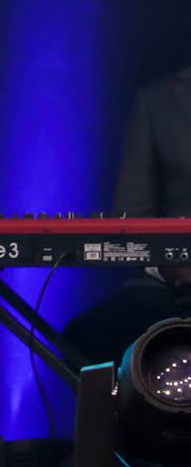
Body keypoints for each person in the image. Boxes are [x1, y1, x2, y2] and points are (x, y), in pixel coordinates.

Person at [62, 65, 191, 364]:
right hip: (178, 285)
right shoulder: (156, 101)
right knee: (86, 336)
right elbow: (132, 218)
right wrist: (172, 266)